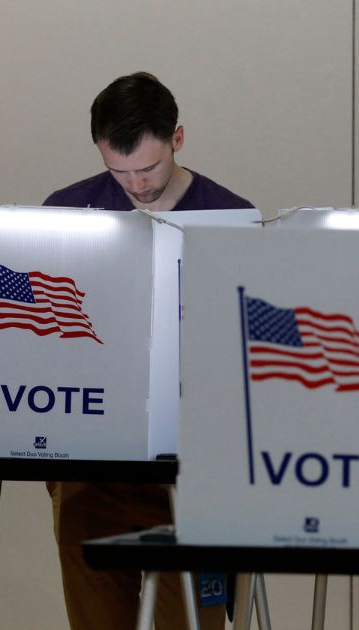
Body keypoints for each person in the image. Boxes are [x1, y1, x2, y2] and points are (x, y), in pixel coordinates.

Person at [43, 71, 253, 630]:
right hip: (92, 461)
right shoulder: (68, 213)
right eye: (119, 171)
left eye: (148, 169)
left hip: (192, 466)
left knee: (188, 622)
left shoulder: (229, 218)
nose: (134, 186)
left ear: (177, 139)